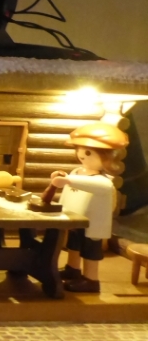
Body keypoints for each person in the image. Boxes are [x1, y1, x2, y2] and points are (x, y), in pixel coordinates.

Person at [48, 121, 128, 293]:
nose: (81, 155)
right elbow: (70, 190)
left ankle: (91, 279)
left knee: (90, 251)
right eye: (79, 150)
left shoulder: (103, 182)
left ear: (107, 156)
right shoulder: (77, 172)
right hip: (75, 219)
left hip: (92, 224)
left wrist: (67, 180)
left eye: (88, 152)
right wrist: (63, 180)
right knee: (73, 245)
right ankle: (72, 269)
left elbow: (87, 184)